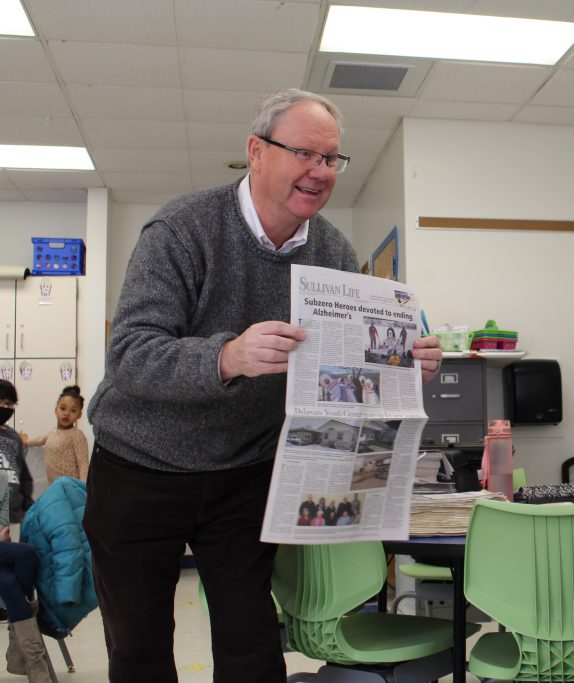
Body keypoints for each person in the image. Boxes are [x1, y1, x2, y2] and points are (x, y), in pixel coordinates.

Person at [83, 88, 444, 683]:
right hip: (141, 466)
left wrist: (405, 363)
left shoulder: (332, 251)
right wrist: (227, 356)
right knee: (139, 643)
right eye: (304, 153)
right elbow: (129, 355)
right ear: (256, 151)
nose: (319, 172)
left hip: (244, 471)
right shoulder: (183, 229)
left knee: (251, 637)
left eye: (331, 159)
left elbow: (348, 366)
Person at [0, 470, 52, 683]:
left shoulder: (1, 479)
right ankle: (32, 662)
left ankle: (27, 658)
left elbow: (3, 518)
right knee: (26, 553)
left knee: (10, 583)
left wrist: (2, 531)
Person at [22, 385, 90, 483]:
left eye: (73, 410)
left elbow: (84, 465)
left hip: (70, 488)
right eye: (63, 408)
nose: (66, 413)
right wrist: (26, 442)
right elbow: (41, 440)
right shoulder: (53, 432)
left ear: (79, 414)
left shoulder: (77, 436)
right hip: (54, 487)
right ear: (56, 410)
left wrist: (83, 491)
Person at [0, 381, 32, 525]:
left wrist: (27, 504)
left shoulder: (14, 437)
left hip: (13, 516)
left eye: (10, 404)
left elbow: (24, 475)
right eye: (2, 402)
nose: (6, 408)